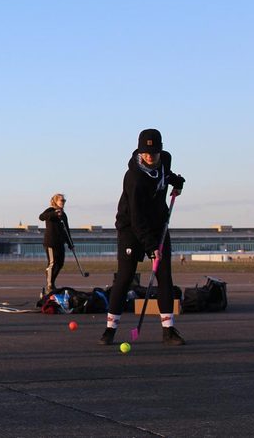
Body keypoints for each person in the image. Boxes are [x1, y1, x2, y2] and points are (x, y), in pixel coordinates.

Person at [99, 129, 186, 346]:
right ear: (140, 151)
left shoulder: (165, 160)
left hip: (158, 226)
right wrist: (149, 247)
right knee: (126, 276)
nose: (151, 157)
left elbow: (165, 174)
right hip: (131, 227)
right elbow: (137, 218)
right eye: (146, 153)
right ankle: (110, 329)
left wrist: (176, 181)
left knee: (164, 275)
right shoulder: (134, 178)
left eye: (154, 152)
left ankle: (168, 330)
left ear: (160, 150)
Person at [38, 194, 73, 295]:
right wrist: (54, 214)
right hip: (51, 242)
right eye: (61, 200)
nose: (63, 202)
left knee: (60, 263)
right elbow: (41, 217)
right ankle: (49, 284)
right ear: (55, 201)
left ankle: (52, 282)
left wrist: (70, 243)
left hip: (60, 242)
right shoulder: (50, 210)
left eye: (64, 200)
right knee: (52, 263)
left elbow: (66, 230)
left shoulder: (64, 214)